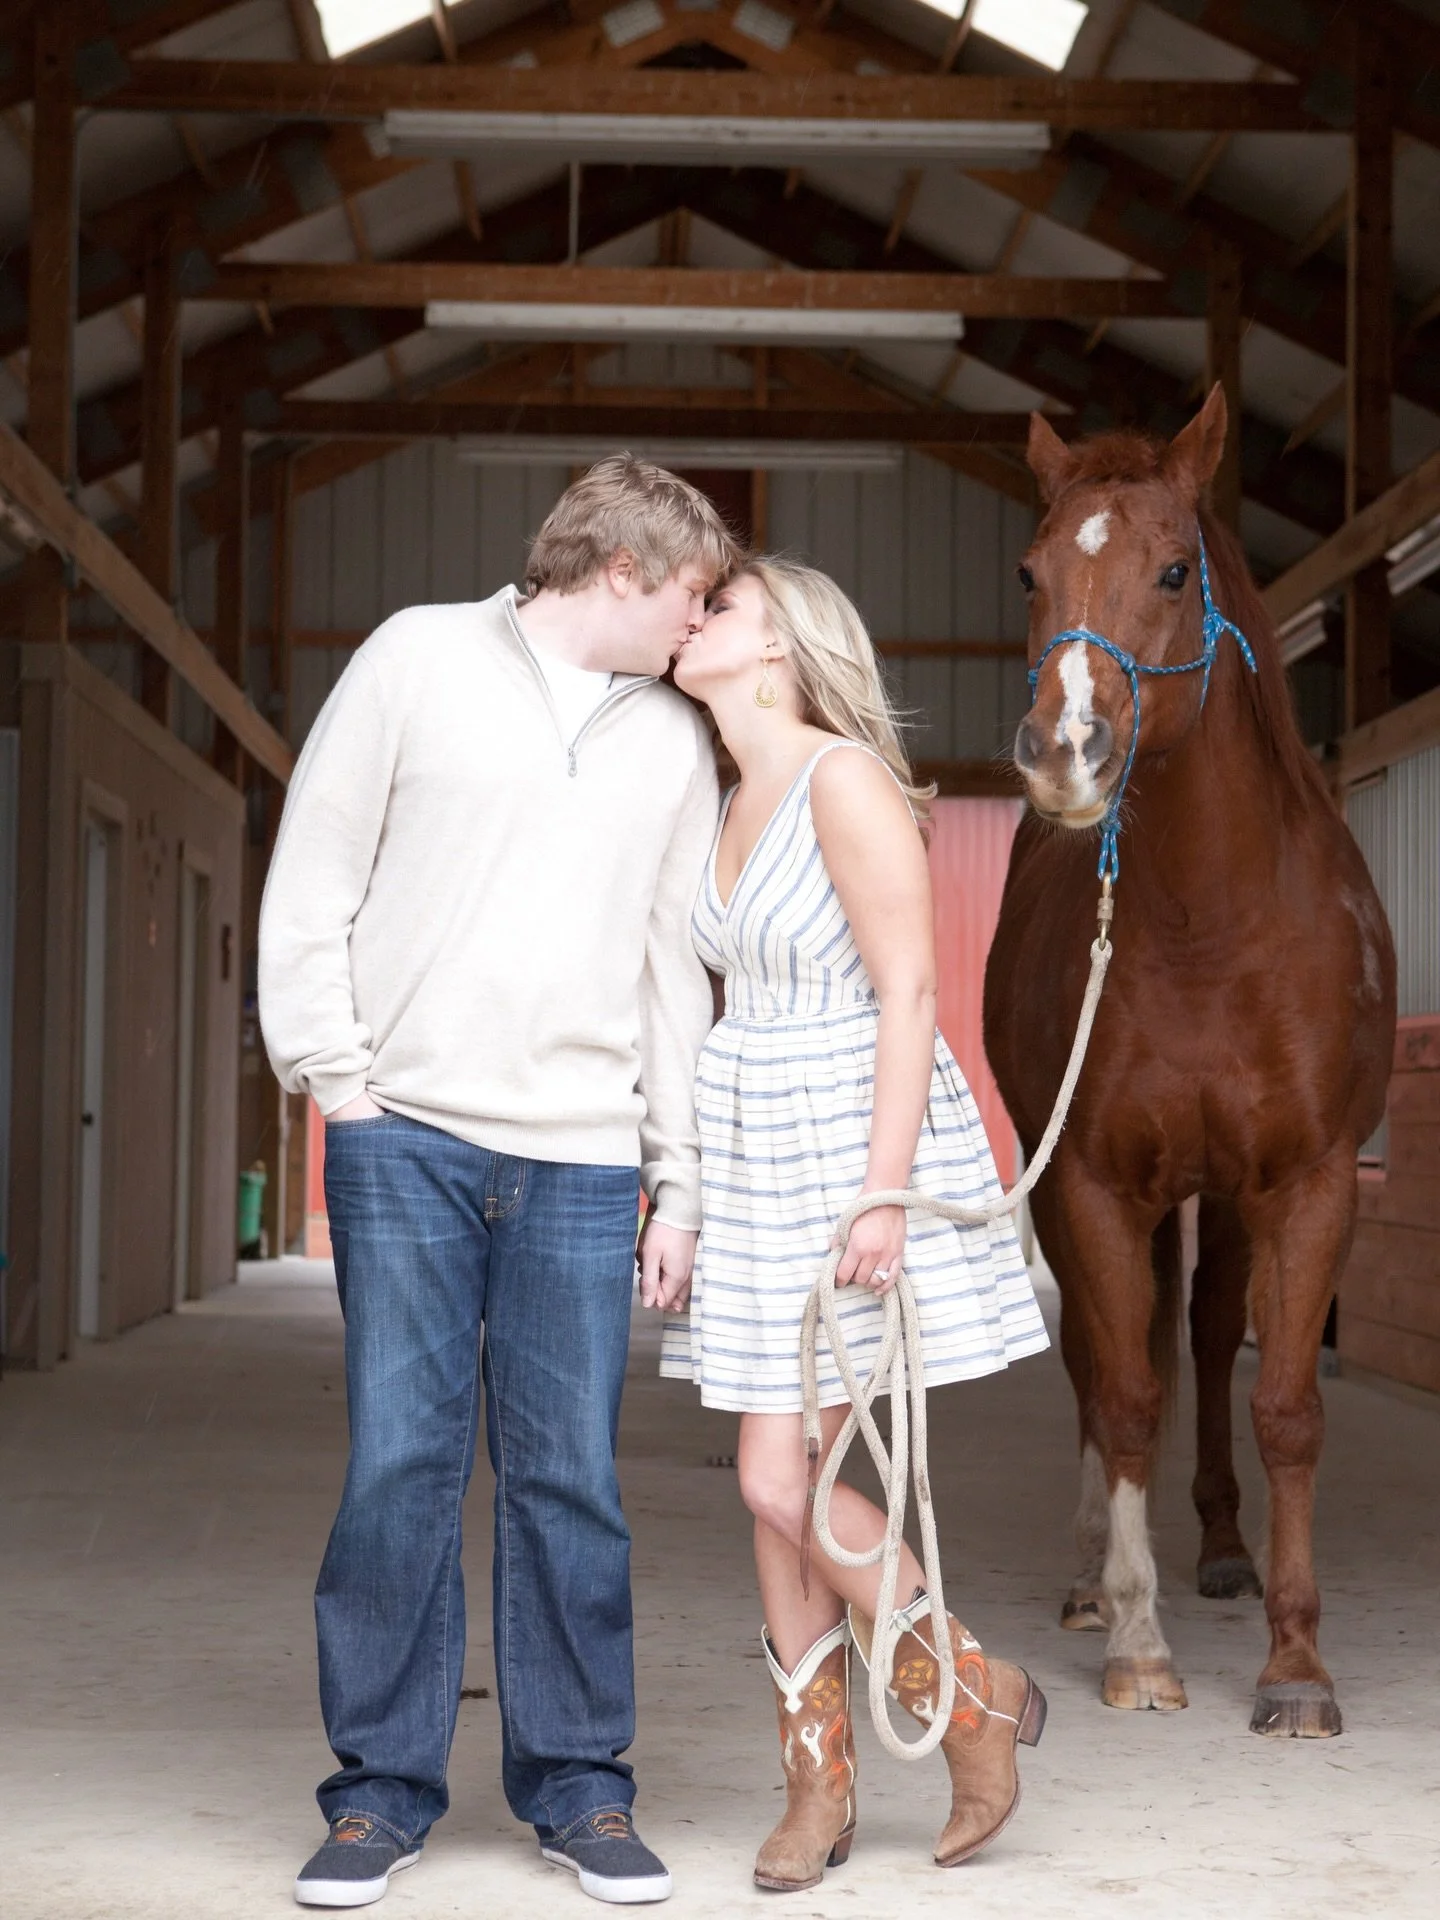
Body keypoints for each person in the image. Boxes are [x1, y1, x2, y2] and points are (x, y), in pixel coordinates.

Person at [259, 456, 739, 1910]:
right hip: (407, 1135)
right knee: (399, 1468)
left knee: (569, 1482)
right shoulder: (412, 657)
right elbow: (316, 868)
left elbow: (673, 967)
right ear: (624, 570)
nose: (704, 618)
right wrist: (335, 1077)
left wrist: (682, 1177)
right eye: (695, 590)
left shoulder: (670, 739)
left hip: (586, 1160)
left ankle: (582, 1791)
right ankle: (380, 1796)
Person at [660, 557, 1051, 1892]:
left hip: (840, 1140)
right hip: (757, 1133)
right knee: (774, 1488)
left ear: (780, 648)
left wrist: (884, 1187)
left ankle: (970, 1693)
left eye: (722, 604)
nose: (693, 615)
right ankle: (820, 1783)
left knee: (782, 1479)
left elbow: (909, 987)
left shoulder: (840, 779)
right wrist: (694, 1187)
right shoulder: (725, 795)